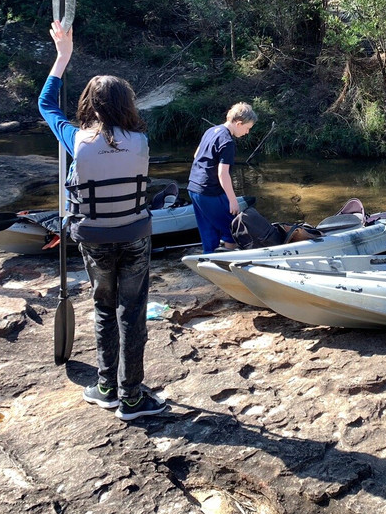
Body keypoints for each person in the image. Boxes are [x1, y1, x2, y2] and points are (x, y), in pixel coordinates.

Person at [38, 22, 166, 421]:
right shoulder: (142, 141)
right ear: (127, 105)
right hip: (134, 237)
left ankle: (107, 387)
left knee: (104, 308)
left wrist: (63, 57)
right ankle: (131, 398)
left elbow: (46, 105)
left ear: (91, 107)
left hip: (93, 239)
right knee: (132, 312)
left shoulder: (76, 141)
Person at [187, 102, 257, 252]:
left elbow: (196, 155)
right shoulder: (227, 142)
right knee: (233, 229)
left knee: (208, 231)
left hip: (193, 187)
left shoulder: (211, 131)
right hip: (208, 191)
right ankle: (228, 262)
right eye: (247, 128)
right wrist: (233, 201)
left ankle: (210, 259)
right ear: (239, 123)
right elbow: (222, 173)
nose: (247, 132)